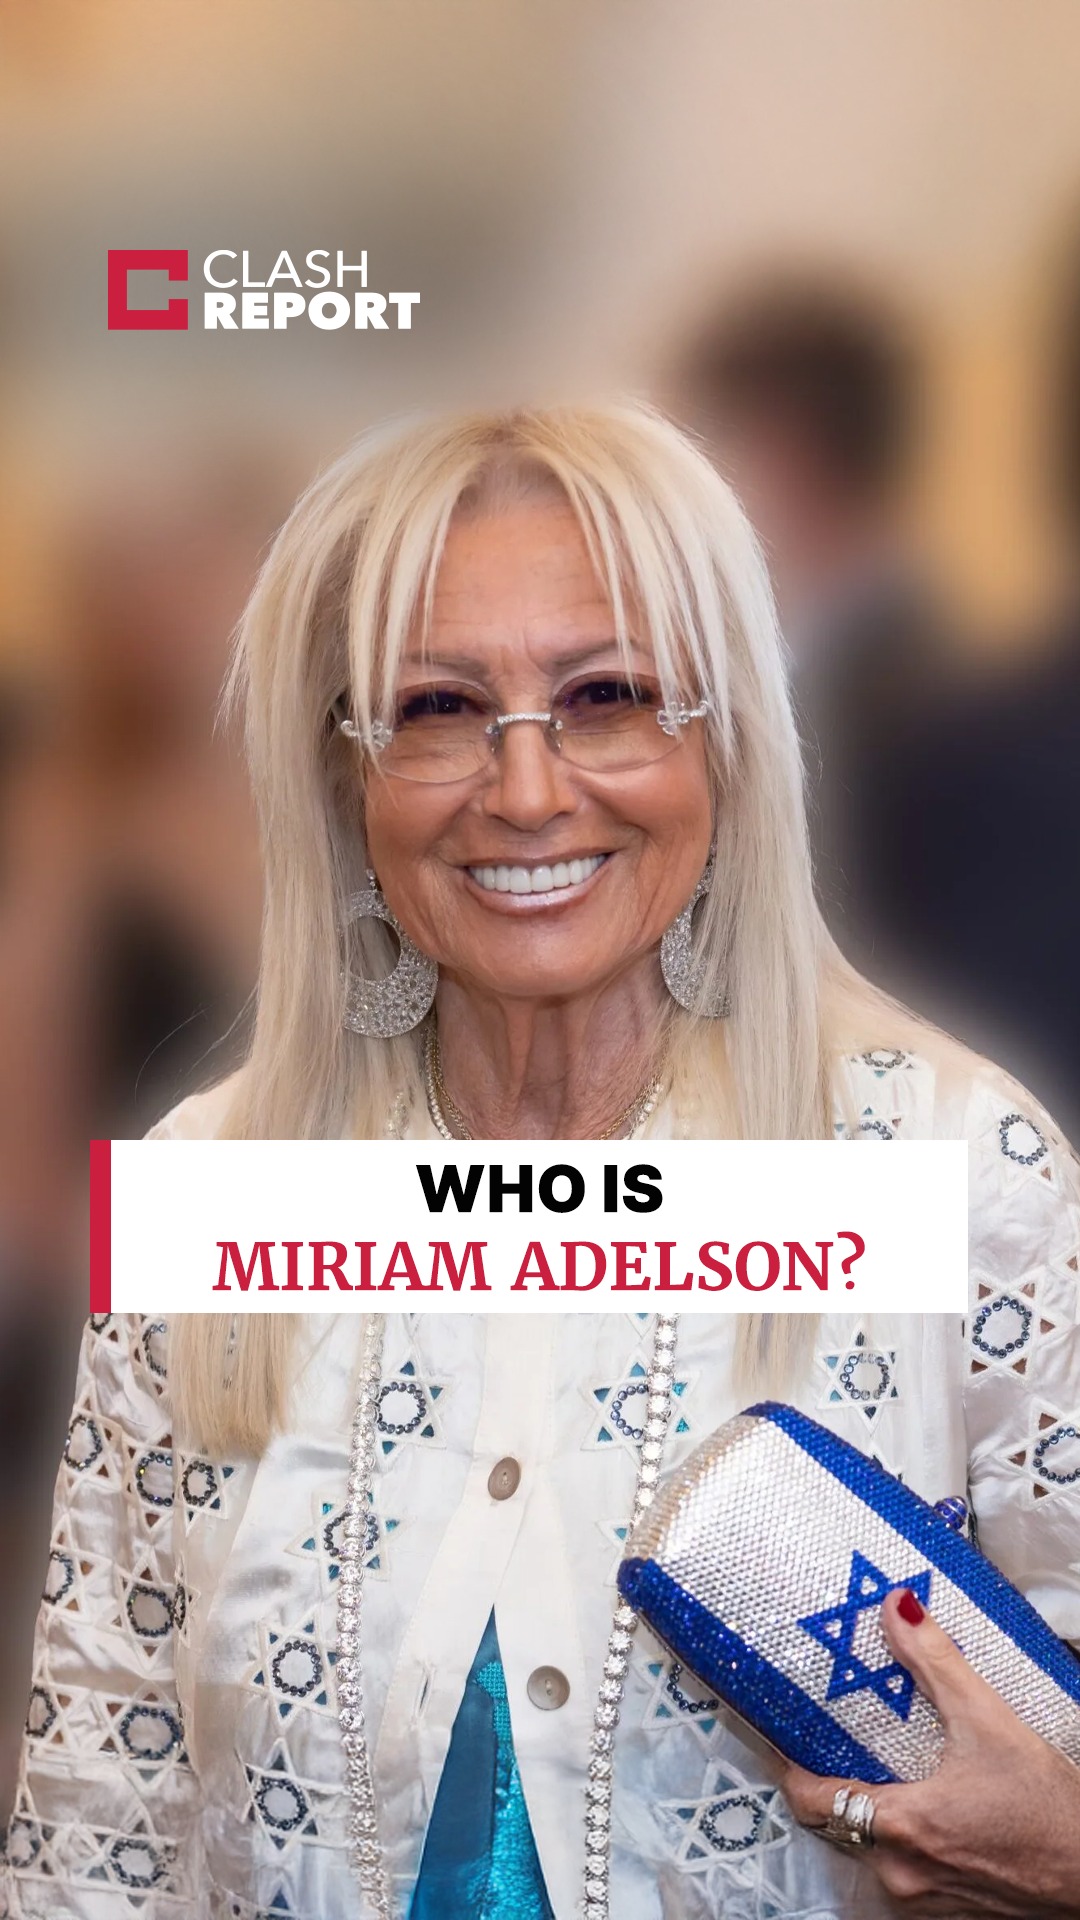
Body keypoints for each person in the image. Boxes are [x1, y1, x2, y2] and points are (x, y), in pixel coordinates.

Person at [4, 404, 1079, 1920]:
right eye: (438, 708)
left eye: (609, 695)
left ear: (729, 744)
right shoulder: (211, 1191)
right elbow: (94, 1827)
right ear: (343, 775)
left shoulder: (957, 1170)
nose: (524, 791)